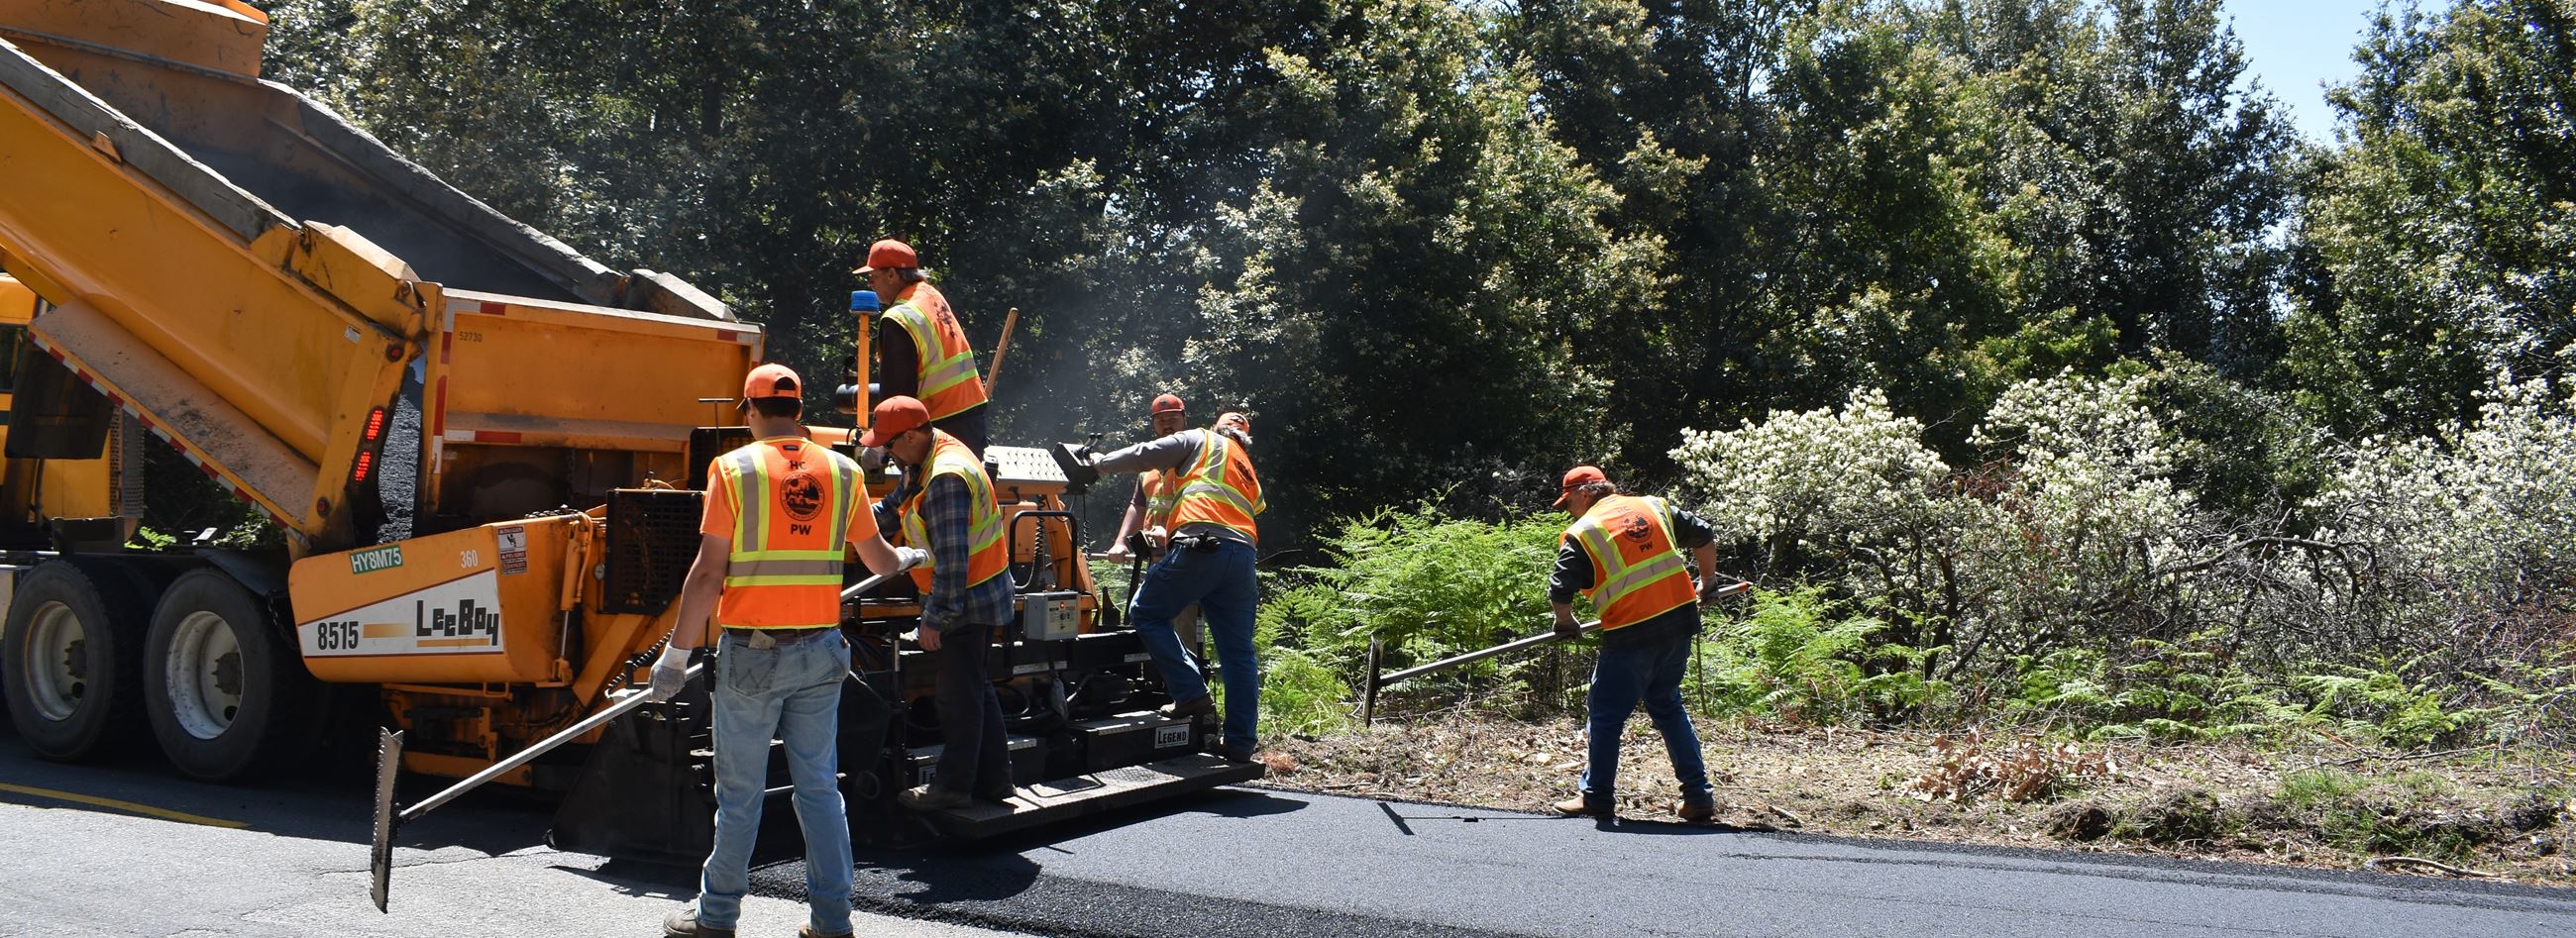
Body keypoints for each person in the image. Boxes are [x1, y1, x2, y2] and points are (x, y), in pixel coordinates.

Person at [650, 364, 924, 938]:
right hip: (822, 652)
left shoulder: (732, 469)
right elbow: (878, 560)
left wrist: (674, 657)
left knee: (742, 796)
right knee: (820, 789)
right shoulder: (843, 471)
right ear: (799, 410)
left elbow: (706, 575)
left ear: (750, 410)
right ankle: (831, 920)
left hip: (753, 656)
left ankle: (717, 915)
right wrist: (907, 559)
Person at [1545, 465, 1730, 823]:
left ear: (1585, 493)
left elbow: (1559, 588)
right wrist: (1707, 583)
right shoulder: (1652, 506)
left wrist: (1565, 621)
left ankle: (1597, 796)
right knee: (1667, 704)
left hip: (1632, 631)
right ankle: (1698, 797)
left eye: (1569, 503)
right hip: (1679, 622)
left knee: (1605, 714)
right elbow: (1704, 534)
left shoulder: (1584, 532)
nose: (1570, 510)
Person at [1082, 412, 1264, 761]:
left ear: (1217, 429)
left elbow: (1147, 454)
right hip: (1242, 557)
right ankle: (1241, 743)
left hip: (1201, 545)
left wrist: (1098, 463)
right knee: (1238, 653)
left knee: (1145, 612)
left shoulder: (1201, 439)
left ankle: (1190, 692)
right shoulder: (1248, 469)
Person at [865, 395, 1018, 810]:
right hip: (978, 592)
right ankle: (996, 782)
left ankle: (952, 788)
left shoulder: (946, 478)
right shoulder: (927, 454)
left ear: (912, 434)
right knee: (976, 689)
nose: (889, 455)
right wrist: (853, 522)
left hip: (967, 599)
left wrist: (934, 619)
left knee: (956, 697)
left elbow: (953, 563)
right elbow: (895, 507)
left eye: (890, 445)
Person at [855, 239, 989, 454]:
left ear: (891, 274)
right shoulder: (930, 295)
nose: (870, 284)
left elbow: (897, 393)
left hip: (940, 423)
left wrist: (883, 442)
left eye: (873, 277)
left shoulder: (897, 317)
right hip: (970, 414)